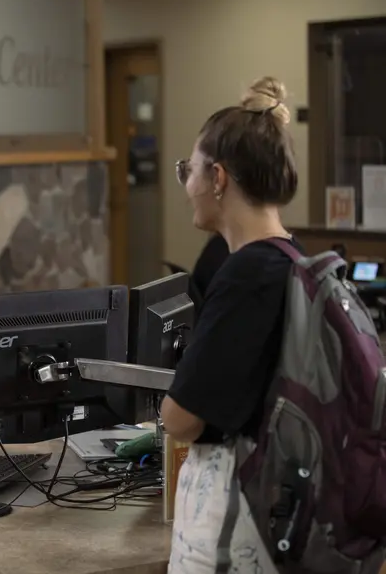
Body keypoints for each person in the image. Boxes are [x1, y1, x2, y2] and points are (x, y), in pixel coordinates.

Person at [160, 76, 301, 572]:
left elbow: (181, 419)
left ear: (217, 178)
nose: (188, 187)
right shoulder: (292, 257)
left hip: (234, 527)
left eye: (189, 171)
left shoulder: (243, 275)